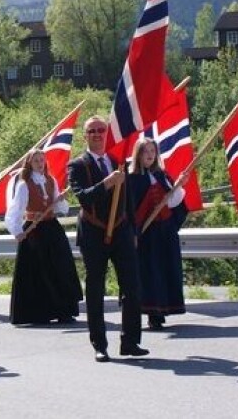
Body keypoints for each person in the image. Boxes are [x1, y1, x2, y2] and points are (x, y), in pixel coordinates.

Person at [67, 115, 148, 362]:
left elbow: (128, 201)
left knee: (132, 287)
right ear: (85, 136)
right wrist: (106, 183)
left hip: (122, 231)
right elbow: (83, 197)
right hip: (93, 232)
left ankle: (130, 341)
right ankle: (99, 345)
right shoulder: (77, 165)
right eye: (92, 131)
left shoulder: (117, 161)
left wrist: (133, 231)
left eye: (101, 130)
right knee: (95, 290)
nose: (97, 134)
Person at [6, 150, 83, 325]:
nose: (40, 163)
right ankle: (40, 312)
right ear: (30, 164)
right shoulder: (24, 184)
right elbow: (16, 210)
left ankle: (64, 311)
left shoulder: (51, 180)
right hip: (34, 229)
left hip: (52, 228)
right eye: (36, 161)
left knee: (60, 267)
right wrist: (17, 230)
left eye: (42, 160)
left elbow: (60, 208)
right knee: (38, 270)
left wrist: (61, 199)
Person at [126, 138, 189, 331]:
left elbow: (173, 202)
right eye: (146, 151)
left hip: (165, 231)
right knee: (150, 272)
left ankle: (165, 309)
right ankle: (153, 313)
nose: (150, 155)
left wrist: (178, 185)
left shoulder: (161, 175)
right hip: (146, 234)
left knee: (167, 269)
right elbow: (129, 208)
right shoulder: (132, 178)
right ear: (139, 154)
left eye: (153, 151)